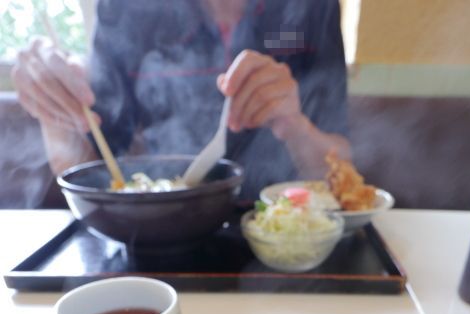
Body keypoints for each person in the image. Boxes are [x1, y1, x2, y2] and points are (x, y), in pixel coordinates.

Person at [12, 0, 351, 201]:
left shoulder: (311, 7)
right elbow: (87, 165)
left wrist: (294, 127)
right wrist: (57, 105)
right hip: (154, 233)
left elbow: (340, 170)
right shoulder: (126, 7)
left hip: (283, 228)